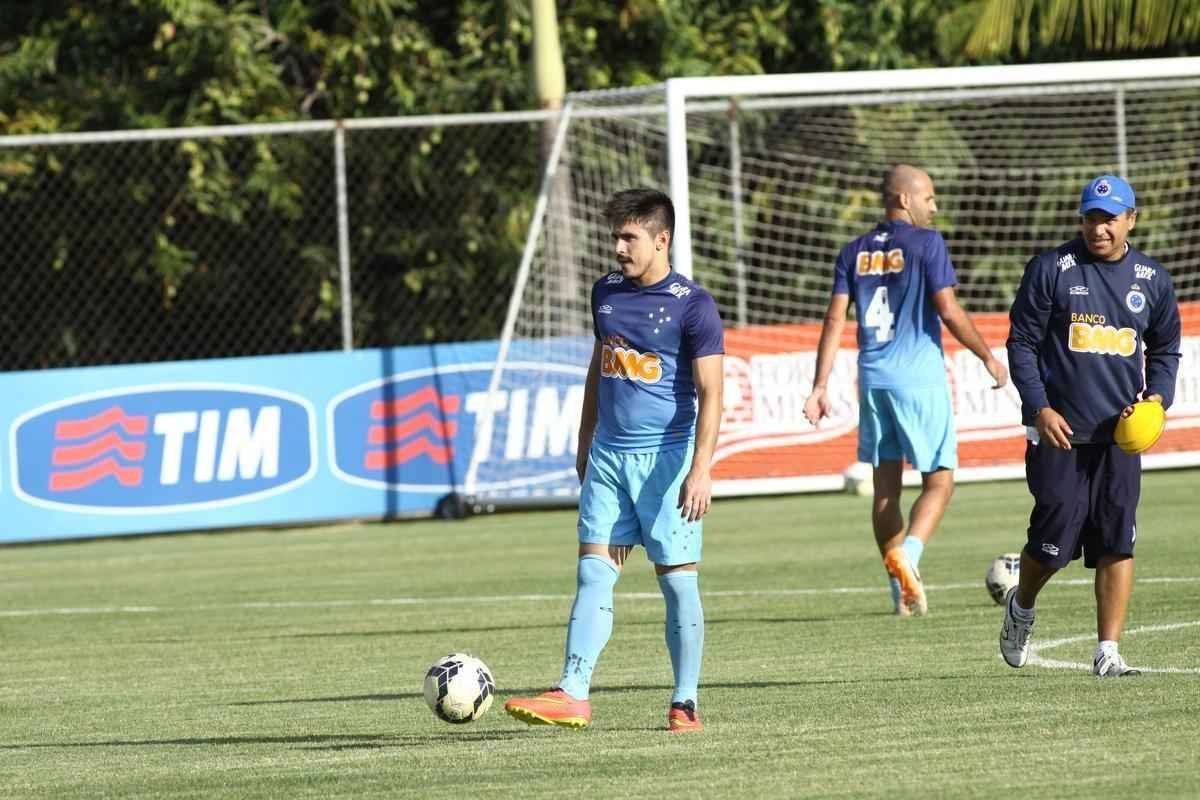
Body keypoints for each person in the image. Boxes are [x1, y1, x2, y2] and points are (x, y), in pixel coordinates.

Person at [504, 188, 724, 731]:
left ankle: (685, 701)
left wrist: (701, 469)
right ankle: (573, 690)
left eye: (629, 237)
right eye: (615, 236)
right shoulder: (604, 292)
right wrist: (585, 439)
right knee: (592, 572)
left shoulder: (693, 305)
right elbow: (597, 367)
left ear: (661, 239)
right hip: (608, 456)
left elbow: (712, 393)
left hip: (667, 462)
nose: (618, 247)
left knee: (676, 582)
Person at [803, 165, 1008, 616]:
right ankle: (909, 556)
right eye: (929, 198)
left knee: (884, 490)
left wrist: (820, 385)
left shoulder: (852, 252)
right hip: (919, 378)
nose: (934, 207)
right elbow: (949, 311)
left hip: (873, 379)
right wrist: (988, 357)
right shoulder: (927, 243)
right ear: (903, 200)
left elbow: (835, 320)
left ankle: (901, 593)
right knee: (940, 481)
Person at [1001, 174, 1181, 676]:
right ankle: (1024, 604)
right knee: (1053, 543)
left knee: (1117, 541)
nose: (1098, 228)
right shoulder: (1051, 269)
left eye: (1109, 218)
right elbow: (1021, 345)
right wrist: (1040, 407)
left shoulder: (1152, 279)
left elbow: (1165, 347)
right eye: (1090, 217)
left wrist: (1158, 400)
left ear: (1131, 220)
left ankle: (1108, 651)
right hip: (1059, 431)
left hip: (1119, 439)